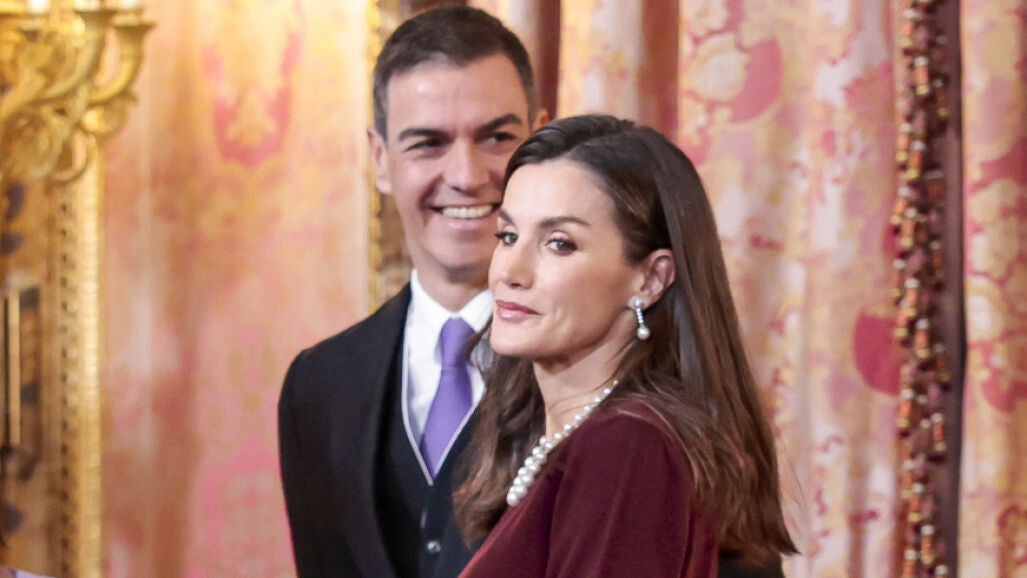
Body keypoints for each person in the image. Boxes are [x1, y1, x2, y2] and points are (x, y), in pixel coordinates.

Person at [454, 114, 798, 577]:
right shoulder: (578, 437)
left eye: (559, 244)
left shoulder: (626, 445)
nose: (510, 271)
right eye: (508, 236)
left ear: (651, 278)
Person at [278, 6, 548, 578]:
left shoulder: (613, 365)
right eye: (429, 143)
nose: (466, 175)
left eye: (497, 137)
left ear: (541, 143)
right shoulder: (319, 386)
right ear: (380, 159)